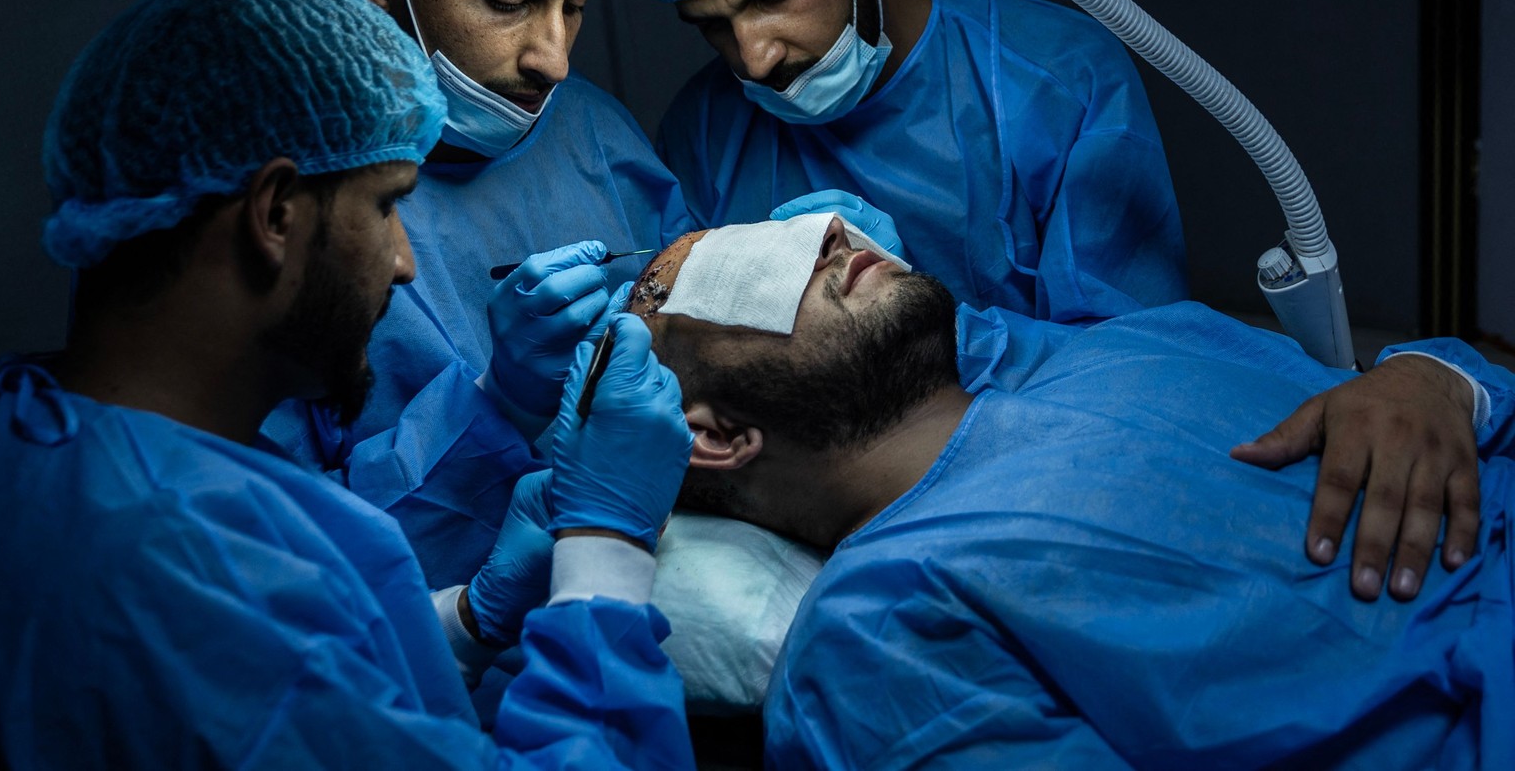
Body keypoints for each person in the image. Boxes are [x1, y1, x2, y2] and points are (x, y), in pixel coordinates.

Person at [0, 0, 696, 768]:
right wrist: (603, 547)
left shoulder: (11, 432)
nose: (402, 261)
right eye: (387, 205)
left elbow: (314, 695)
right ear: (276, 212)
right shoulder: (165, 564)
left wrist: (474, 620)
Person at [269, 0, 891, 590]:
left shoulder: (593, 133)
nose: (552, 60)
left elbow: (691, 340)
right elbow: (288, 557)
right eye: (507, 2)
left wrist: (768, 277)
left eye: (577, 4)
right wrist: (497, 402)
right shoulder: (278, 207)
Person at [628, 215, 1512, 768]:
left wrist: (1434, 377)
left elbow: (1475, 410)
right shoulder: (878, 633)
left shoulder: (1125, 346)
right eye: (728, 278)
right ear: (713, 436)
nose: (821, 234)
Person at [612, 0, 1188, 322]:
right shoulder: (705, 130)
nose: (755, 59)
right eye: (711, 25)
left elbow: (1125, 352)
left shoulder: (1058, 79)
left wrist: (917, 333)